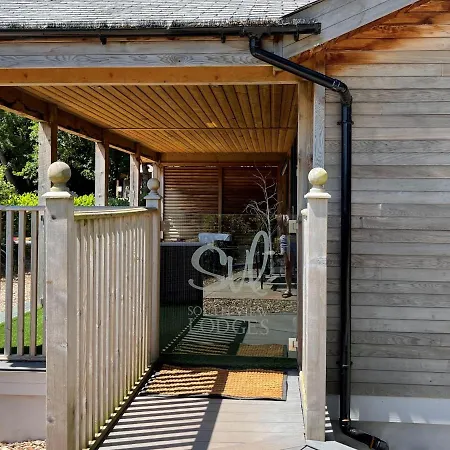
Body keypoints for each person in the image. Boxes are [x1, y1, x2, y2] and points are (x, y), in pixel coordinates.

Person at [278, 214, 295, 298]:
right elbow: (279, 225)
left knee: (300, 264)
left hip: (296, 237)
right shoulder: (282, 211)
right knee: (287, 265)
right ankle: (288, 289)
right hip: (285, 237)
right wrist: (283, 220)